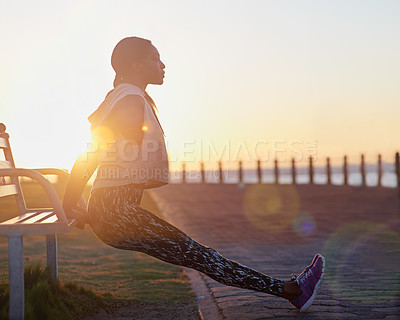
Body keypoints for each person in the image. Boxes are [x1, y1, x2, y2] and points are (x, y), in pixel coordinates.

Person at [62, 36, 325, 312]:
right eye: (155, 58)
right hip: (115, 211)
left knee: (201, 257)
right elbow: (91, 152)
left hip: (114, 210)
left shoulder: (128, 97)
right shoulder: (129, 99)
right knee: (203, 257)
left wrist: (84, 206)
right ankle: (293, 290)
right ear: (137, 65)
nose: (162, 65)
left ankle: (292, 291)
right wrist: (69, 202)